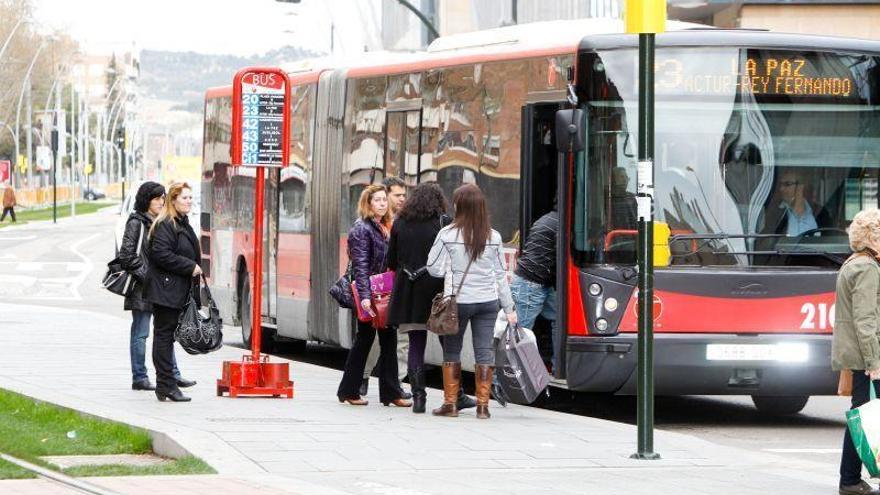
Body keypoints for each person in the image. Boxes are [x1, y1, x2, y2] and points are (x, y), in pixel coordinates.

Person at [427, 183, 518, 419]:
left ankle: (450, 404)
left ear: (458, 206)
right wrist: (509, 308)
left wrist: (451, 270)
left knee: (452, 349)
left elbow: (433, 268)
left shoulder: (446, 234)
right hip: (488, 301)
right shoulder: (494, 236)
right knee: (484, 351)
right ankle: (483, 407)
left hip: (459, 302)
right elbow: (500, 274)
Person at [386, 182, 475, 414]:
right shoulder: (444, 223)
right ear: (439, 201)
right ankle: (457, 394)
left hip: (408, 291)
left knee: (416, 343)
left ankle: (418, 399)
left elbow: (391, 261)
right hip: (437, 292)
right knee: (449, 343)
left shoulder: (399, 223)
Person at [336, 185, 412, 407]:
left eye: (383, 200)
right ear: (368, 204)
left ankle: (388, 392)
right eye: (377, 200)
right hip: (371, 295)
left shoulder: (383, 226)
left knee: (387, 340)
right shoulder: (362, 229)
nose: (382, 203)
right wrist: (365, 297)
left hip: (383, 293)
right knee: (365, 340)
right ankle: (350, 390)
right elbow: (360, 266)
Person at [118, 182, 195, 392]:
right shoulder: (136, 222)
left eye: (163, 198)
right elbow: (126, 255)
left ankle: (173, 375)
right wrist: (148, 276)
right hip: (142, 287)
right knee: (141, 333)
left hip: (161, 287)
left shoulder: (163, 221)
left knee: (165, 331)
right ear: (146, 201)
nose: (161, 202)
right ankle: (140, 377)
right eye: (157, 199)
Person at [834, 208, 880, 495]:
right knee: (864, 417)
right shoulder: (866, 268)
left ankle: (849, 479)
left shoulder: (855, 263)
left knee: (861, 416)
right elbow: (866, 319)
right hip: (868, 357)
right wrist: (874, 361)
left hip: (861, 356)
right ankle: (849, 480)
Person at [144, 182, 201, 403]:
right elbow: (161, 254)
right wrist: (190, 267)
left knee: (166, 337)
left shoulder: (181, 223)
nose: (189, 201)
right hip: (165, 291)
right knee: (164, 337)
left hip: (175, 290)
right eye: (185, 198)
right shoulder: (167, 224)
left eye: (190, 197)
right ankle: (166, 384)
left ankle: (165, 385)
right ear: (174, 200)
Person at [361, 176, 411, 398]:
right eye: (397, 195)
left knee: (401, 339)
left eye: (404, 195)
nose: (402, 199)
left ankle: (396, 384)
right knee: (372, 338)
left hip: (399, 288)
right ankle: (362, 377)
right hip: (379, 289)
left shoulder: (405, 220)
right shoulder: (372, 225)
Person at [511, 207, 558, 372]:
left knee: (559, 319)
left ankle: (556, 365)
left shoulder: (547, 218)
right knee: (521, 333)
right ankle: (503, 380)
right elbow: (561, 259)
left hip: (540, 283)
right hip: (530, 283)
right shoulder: (559, 225)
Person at [762, 170, 830, 237]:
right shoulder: (775, 212)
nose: (781, 189)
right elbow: (767, 240)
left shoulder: (820, 212)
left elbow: (830, 239)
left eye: (787, 184)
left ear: (800, 187)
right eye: (781, 185)